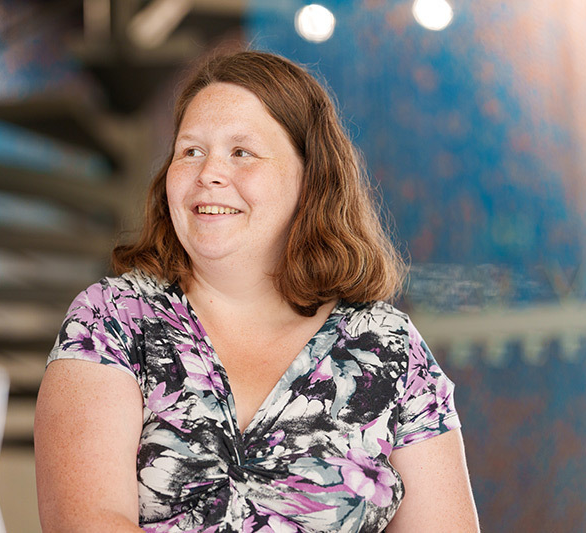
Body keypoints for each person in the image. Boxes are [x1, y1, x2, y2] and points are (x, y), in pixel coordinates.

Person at [34, 50, 479, 533]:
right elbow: (86, 524)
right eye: (190, 151)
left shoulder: (391, 349)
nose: (208, 173)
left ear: (310, 177)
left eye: (241, 152)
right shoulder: (111, 320)